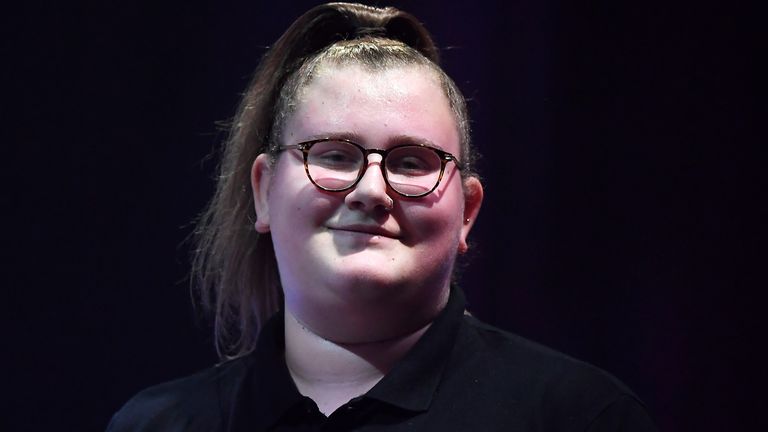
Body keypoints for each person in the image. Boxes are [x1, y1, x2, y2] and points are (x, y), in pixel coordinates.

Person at [108, 3, 657, 431]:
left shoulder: (582, 419)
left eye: (412, 162)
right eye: (334, 155)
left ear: (467, 211)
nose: (372, 190)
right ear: (264, 191)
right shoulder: (158, 424)